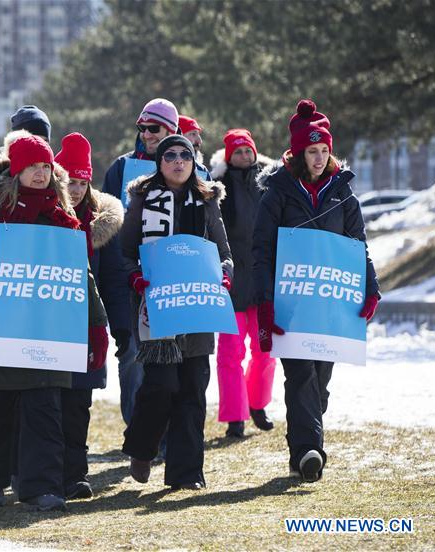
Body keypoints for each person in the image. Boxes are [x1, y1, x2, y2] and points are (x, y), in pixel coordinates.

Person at [0, 134, 109, 511]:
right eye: (31, 167)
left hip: (50, 330)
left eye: (45, 167)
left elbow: (80, 273)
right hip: (2, 329)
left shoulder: (62, 212)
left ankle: (42, 487)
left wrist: (96, 325)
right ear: (17, 170)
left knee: (46, 410)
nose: (40, 174)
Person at [252, 100, 380, 483]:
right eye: (313, 151)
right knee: (301, 375)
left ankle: (301, 442)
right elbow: (260, 251)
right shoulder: (277, 193)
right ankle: (310, 452)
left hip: (330, 304)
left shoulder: (343, 192)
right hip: (290, 303)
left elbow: (359, 244)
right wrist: (265, 303)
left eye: (325, 150)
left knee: (321, 380)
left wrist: (370, 288)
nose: (320, 157)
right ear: (298, 152)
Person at [120, 135, 232, 491]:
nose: (179, 161)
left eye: (186, 155)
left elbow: (224, 253)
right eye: (171, 155)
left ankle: (186, 475)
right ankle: (142, 447)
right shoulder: (142, 198)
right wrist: (136, 276)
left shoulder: (207, 198)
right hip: (157, 308)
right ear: (159, 161)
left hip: (198, 308)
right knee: (161, 386)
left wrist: (224, 278)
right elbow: (124, 253)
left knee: (192, 389)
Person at [56, 132, 126, 500]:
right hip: (49, 323)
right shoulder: (44, 214)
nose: (77, 190)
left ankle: (76, 473)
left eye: (83, 182)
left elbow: (113, 280)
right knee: (50, 400)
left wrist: (122, 327)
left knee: (79, 402)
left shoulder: (103, 223)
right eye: (71, 182)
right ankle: (46, 471)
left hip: (87, 325)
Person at [102, 98, 180, 425]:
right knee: (132, 353)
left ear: (171, 131)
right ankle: (137, 432)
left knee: (168, 358)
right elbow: (103, 227)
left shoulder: (185, 167)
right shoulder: (120, 169)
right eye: (143, 128)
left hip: (170, 278)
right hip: (125, 279)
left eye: (154, 128)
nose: (147, 134)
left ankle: (163, 431)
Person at [209, 129, 277, 438]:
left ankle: (257, 405)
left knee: (265, 350)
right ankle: (235, 415)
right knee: (230, 353)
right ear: (228, 156)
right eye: (237, 152)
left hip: (263, 281)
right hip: (232, 284)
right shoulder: (216, 189)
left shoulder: (271, 183)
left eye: (248, 151)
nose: (244, 156)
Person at [178, 115, 212, 180]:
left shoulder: (202, 171)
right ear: (178, 136)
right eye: (193, 134)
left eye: (198, 134)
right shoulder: (159, 168)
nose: (200, 141)